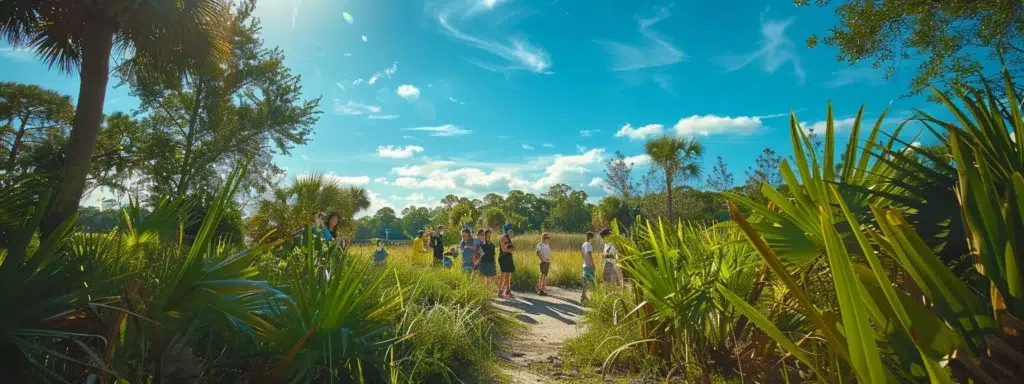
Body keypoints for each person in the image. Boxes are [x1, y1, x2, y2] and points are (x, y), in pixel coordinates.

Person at [497, 223, 516, 299]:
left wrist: (512, 250)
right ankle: (500, 292)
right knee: (503, 275)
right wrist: (511, 250)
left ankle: (507, 291)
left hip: (508, 257)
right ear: (506, 230)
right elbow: (504, 249)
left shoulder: (510, 238)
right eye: (509, 229)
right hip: (503, 257)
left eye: (511, 229)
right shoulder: (503, 238)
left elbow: (514, 249)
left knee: (508, 275)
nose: (510, 231)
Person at [581, 231, 596, 303]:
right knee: (590, 282)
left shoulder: (584, 244)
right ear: (591, 238)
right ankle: (585, 297)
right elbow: (589, 254)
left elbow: (583, 255)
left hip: (585, 264)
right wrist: (593, 264)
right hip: (589, 265)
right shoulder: (588, 245)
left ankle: (583, 296)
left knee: (585, 281)